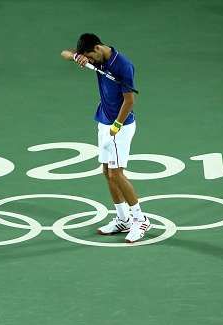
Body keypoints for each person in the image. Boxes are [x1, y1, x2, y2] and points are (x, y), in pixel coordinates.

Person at [60, 33, 150, 243]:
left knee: (117, 173)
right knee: (106, 172)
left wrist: (117, 126)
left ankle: (140, 219)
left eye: (90, 56)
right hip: (103, 121)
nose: (90, 61)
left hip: (121, 125)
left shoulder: (123, 66)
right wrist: (78, 58)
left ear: (98, 48)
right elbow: (64, 53)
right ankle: (122, 219)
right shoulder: (94, 59)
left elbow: (129, 101)